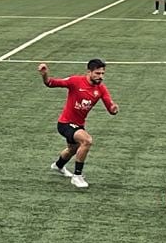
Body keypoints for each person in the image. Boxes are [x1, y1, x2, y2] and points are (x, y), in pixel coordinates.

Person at [40, 58, 115, 188]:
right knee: (87, 141)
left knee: (72, 149)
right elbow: (50, 83)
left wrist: (114, 108)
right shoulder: (75, 81)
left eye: (102, 73)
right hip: (65, 123)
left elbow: (110, 107)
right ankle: (77, 176)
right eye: (97, 73)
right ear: (89, 72)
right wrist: (45, 74)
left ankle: (58, 166)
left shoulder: (101, 89)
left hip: (79, 125)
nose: (100, 76)